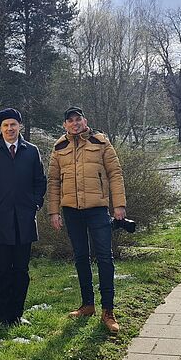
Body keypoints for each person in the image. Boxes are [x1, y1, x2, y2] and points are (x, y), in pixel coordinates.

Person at [48, 107, 126, 334]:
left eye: (78, 119)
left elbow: (115, 173)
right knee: (81, 258)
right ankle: (87, 305)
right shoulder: (59, 147)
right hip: (71, 211)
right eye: (70, 120)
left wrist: (119, 205)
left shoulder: (101, 142)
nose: (74, 123)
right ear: (65, 125)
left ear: (85, 120)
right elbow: (53, 181)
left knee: (104, 258)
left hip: (98, 210)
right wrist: (54, 212)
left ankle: (108, 310)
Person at [0, 108, 47, 327]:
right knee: (3, 271)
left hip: (25, 221)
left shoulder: (31, 151)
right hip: (1, 221)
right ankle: (4, 317)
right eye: (5, 125)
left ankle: (17, 314)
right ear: (0, 128)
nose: (10, 128)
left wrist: (36, 202)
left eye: (13, 124)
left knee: (22, 271)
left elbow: (40, 180)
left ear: (20, 126)